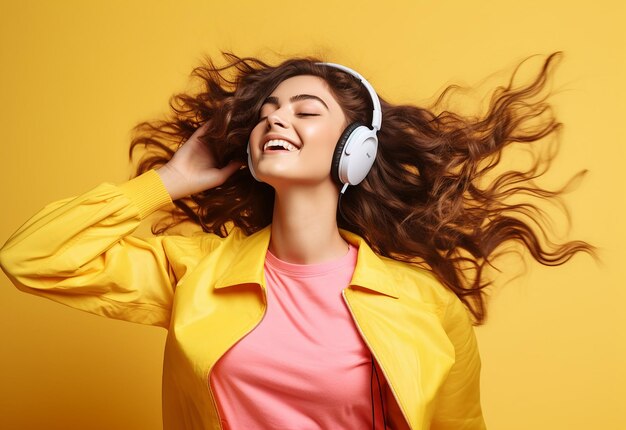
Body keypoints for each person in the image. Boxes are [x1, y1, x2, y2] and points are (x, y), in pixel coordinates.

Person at [0, 52, 593, 430]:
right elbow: (31, 257)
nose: (276, 120)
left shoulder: (427, 305)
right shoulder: (194, 273)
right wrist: (170, 181)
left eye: (306, 111)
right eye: (267, 112)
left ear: (355, 150)